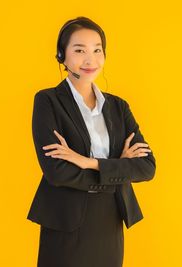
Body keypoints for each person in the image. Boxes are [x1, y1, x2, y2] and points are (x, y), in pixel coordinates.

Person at [26, 16, 156, 267]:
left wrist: (88, 162)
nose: (90, 59)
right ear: (61, 55)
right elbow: (57, 172)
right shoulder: (48, 101)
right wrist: (117, 167)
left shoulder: (118, 107)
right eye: (79, 50)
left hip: (109, 221)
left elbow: (147, 167)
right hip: (66, 221)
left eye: (97, 50)